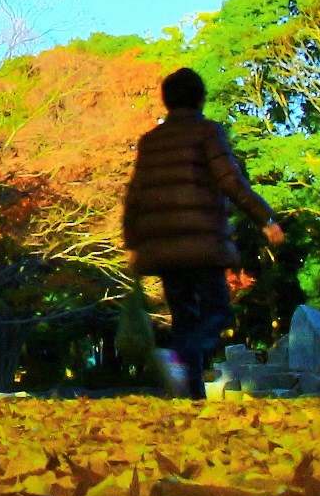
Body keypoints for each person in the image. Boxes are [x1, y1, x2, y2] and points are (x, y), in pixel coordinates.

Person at [121, 67, 283, 397]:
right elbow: (231, 181)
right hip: (203, 242)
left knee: (184, 318)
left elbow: (135, 192)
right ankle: (179, 360)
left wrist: (133, 241)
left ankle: (190, 394)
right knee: (218, 312)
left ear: (166, 100)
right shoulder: (208, 132)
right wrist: (265, 219)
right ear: (200, 97)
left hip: (163, 246)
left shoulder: (151, 141)